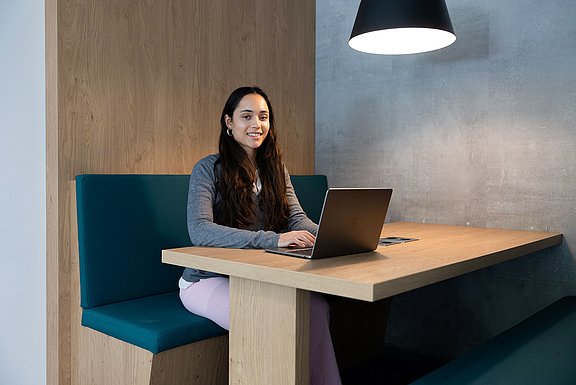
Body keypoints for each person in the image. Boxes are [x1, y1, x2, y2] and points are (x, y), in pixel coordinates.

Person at [179, 86, 342, 385]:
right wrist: (272, 239)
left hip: (256, 277)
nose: (257, 124)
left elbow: (297, 218)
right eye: (247, 116)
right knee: (271, 320)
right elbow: (199, 230)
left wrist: (335, 235)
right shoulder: (207, 169)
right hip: (207, 280)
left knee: (316, 309)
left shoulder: (276, 169)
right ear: (229, 122)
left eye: (263, 116)